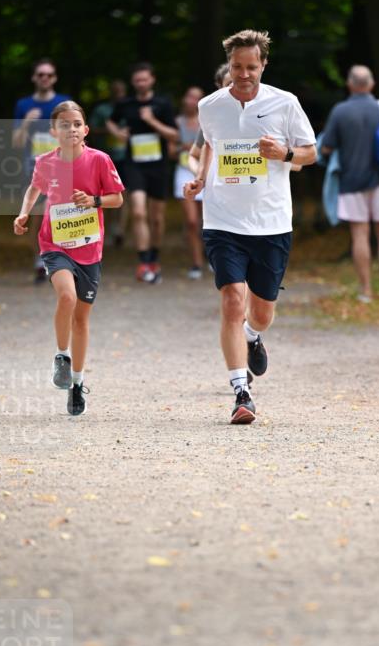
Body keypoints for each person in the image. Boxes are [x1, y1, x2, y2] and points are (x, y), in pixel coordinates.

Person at [184, 29, 316, 424]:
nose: (244, 75)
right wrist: (202, 178)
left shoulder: (285, 103)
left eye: (251, 67)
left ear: (263, 65)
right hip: (223, 219)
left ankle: (254, 336)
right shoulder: (211, 106)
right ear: (230, 66)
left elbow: (310, 152)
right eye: (238, 67)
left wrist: (285, 153)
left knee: (261, 313)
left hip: (271, 221)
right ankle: (241, 392)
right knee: (231, 300)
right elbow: (210, 144)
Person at [13, 101, 124, 415]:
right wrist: (23, 214)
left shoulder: (100, 160)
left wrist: (93, 200)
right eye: (64, 124)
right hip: (55, 243)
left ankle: (76, 384)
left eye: (76, 124)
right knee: (66, 297)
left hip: (89, 248)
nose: (71, 129)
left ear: (85, 130)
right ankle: (62, 356)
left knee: (81, 319)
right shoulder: (46, 162)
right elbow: (34, 189)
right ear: (53, 131)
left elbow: (117, 199)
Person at [321, 65, 379, 304]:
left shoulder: (340, 111)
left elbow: (326, 147)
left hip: (351, 181)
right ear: (371, 84)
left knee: (359, 234)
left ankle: (365, 290)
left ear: (349, 85)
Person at [107, 63, 178, 284]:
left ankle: (154, 256)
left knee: (156, 218)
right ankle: (143, 261)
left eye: (144, 79)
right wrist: (118, 132)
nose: (141, 83)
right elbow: (110, 121)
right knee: (138, 212)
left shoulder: (163, 104)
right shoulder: (126, 104)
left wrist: (151, 121)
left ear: (152, 80)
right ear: (133, 82)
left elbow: (174, 135)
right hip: (133, 164)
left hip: (158, 166)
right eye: (137, 80)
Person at [13, 58, 70, 282]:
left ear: (54, 78)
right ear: (34, 78)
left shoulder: (64, 103)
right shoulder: (24, 105)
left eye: (48, 74)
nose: (44, 78)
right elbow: (16, 142)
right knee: (37, 215)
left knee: (57, 212)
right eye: (40, 74)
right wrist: (27, 122)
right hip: (35, 167)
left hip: (63, 166)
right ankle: (40, 260)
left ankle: (61, 260)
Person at [89, 79, 128, 247]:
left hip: (125, 157)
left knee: (124, 194)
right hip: (105, 157)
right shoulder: (101, 110)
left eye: (121, 91)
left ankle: (120, 229)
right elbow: (90, 129)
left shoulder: (129, 108)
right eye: (115, 91)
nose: (118, 94)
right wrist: (108, 131)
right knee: (104, 195)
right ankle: (106, 228)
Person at [173, 86, 205, 278]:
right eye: (189, 96)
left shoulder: (206, 121)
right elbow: (170, 149)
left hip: (204, 172)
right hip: (184, 172)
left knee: (207, 221)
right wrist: (181, 148)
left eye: (196, 98)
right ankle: (196, 263)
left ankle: (211, 257)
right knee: (192, 222)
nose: (191, 100)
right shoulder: (177, 122)